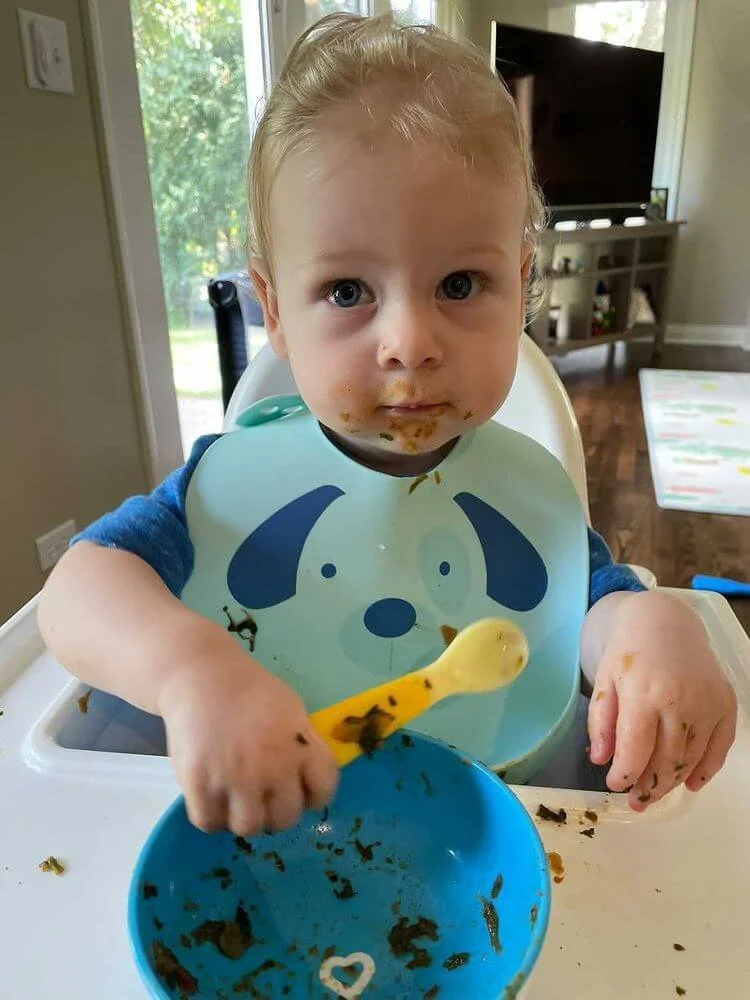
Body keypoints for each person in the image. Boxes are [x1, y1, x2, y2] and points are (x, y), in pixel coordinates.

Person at [38, 14, 735, 838]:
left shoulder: (521, 497)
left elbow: (581, 607)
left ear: (519, 287)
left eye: (460, 283)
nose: (409, 343)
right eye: (345, 292)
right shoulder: (231, 492)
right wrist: (193, 673)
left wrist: (649, 626)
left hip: (481, 837)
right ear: (275, 313)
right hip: (276, 838)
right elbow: (78, 591)